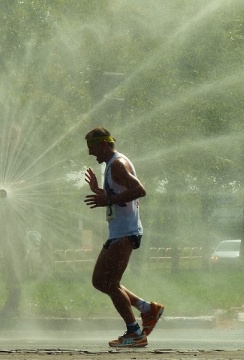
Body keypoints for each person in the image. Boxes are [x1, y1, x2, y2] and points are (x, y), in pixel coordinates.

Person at [83, 127, 164, 348]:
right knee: (100, 281)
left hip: (126, 232)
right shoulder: (112, 166)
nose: (91, 153)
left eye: (92, 148)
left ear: (103, 145)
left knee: (109, 282)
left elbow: (140, 190)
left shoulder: (117, 164)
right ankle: (148, 310)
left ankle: (135, 333)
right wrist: (101, 192)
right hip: (119, 232)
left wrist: (107, 200)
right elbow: (119, 197)